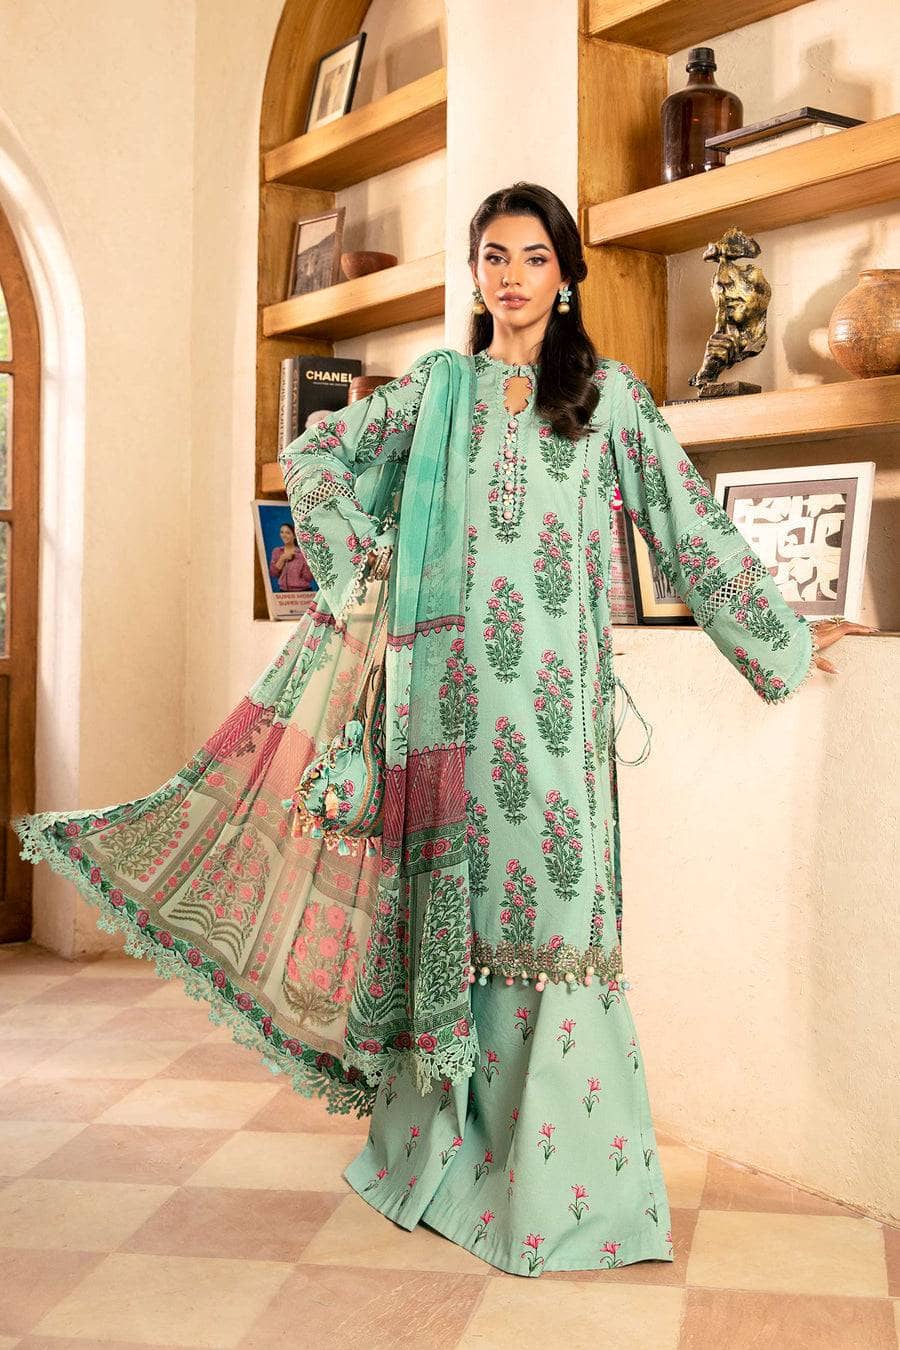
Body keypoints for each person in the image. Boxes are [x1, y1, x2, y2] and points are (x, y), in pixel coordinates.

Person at [12, 182, 873, 1281]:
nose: (510, 276)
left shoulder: (610, 402)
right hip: (444, 713)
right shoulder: (436, 393)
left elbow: (688, 526)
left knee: (559, 925)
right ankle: (436, 1162)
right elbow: (315, 460)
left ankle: (567, 1198)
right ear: (475, 274)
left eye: (532, 258)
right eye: (492, 257)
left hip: (557, 727)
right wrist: (370, 574)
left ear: (566, 279)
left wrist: (787, 638)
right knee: (454, 928)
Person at [269, 521, 314, 591]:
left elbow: (308, 577)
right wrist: (282, 558)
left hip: (302, 592)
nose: (284, 535)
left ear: (295, 536)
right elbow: (273, 573)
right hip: (284, 593)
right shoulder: (277, 551)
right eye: (282, 532)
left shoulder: (302, 553)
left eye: (288, 533)